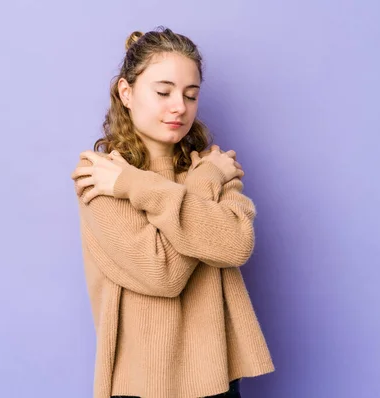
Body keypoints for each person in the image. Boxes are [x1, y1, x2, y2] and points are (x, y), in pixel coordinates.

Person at [70, 26, 274, 398]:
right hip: (141, 385)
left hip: (218, 380)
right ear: (126, 93)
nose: (179, 106)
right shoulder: (100, 176)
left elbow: (236, 245)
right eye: (163, 92)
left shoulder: (208, 167)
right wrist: (193, 182)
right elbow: (163, 273)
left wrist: (144, 186)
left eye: (190, 95)